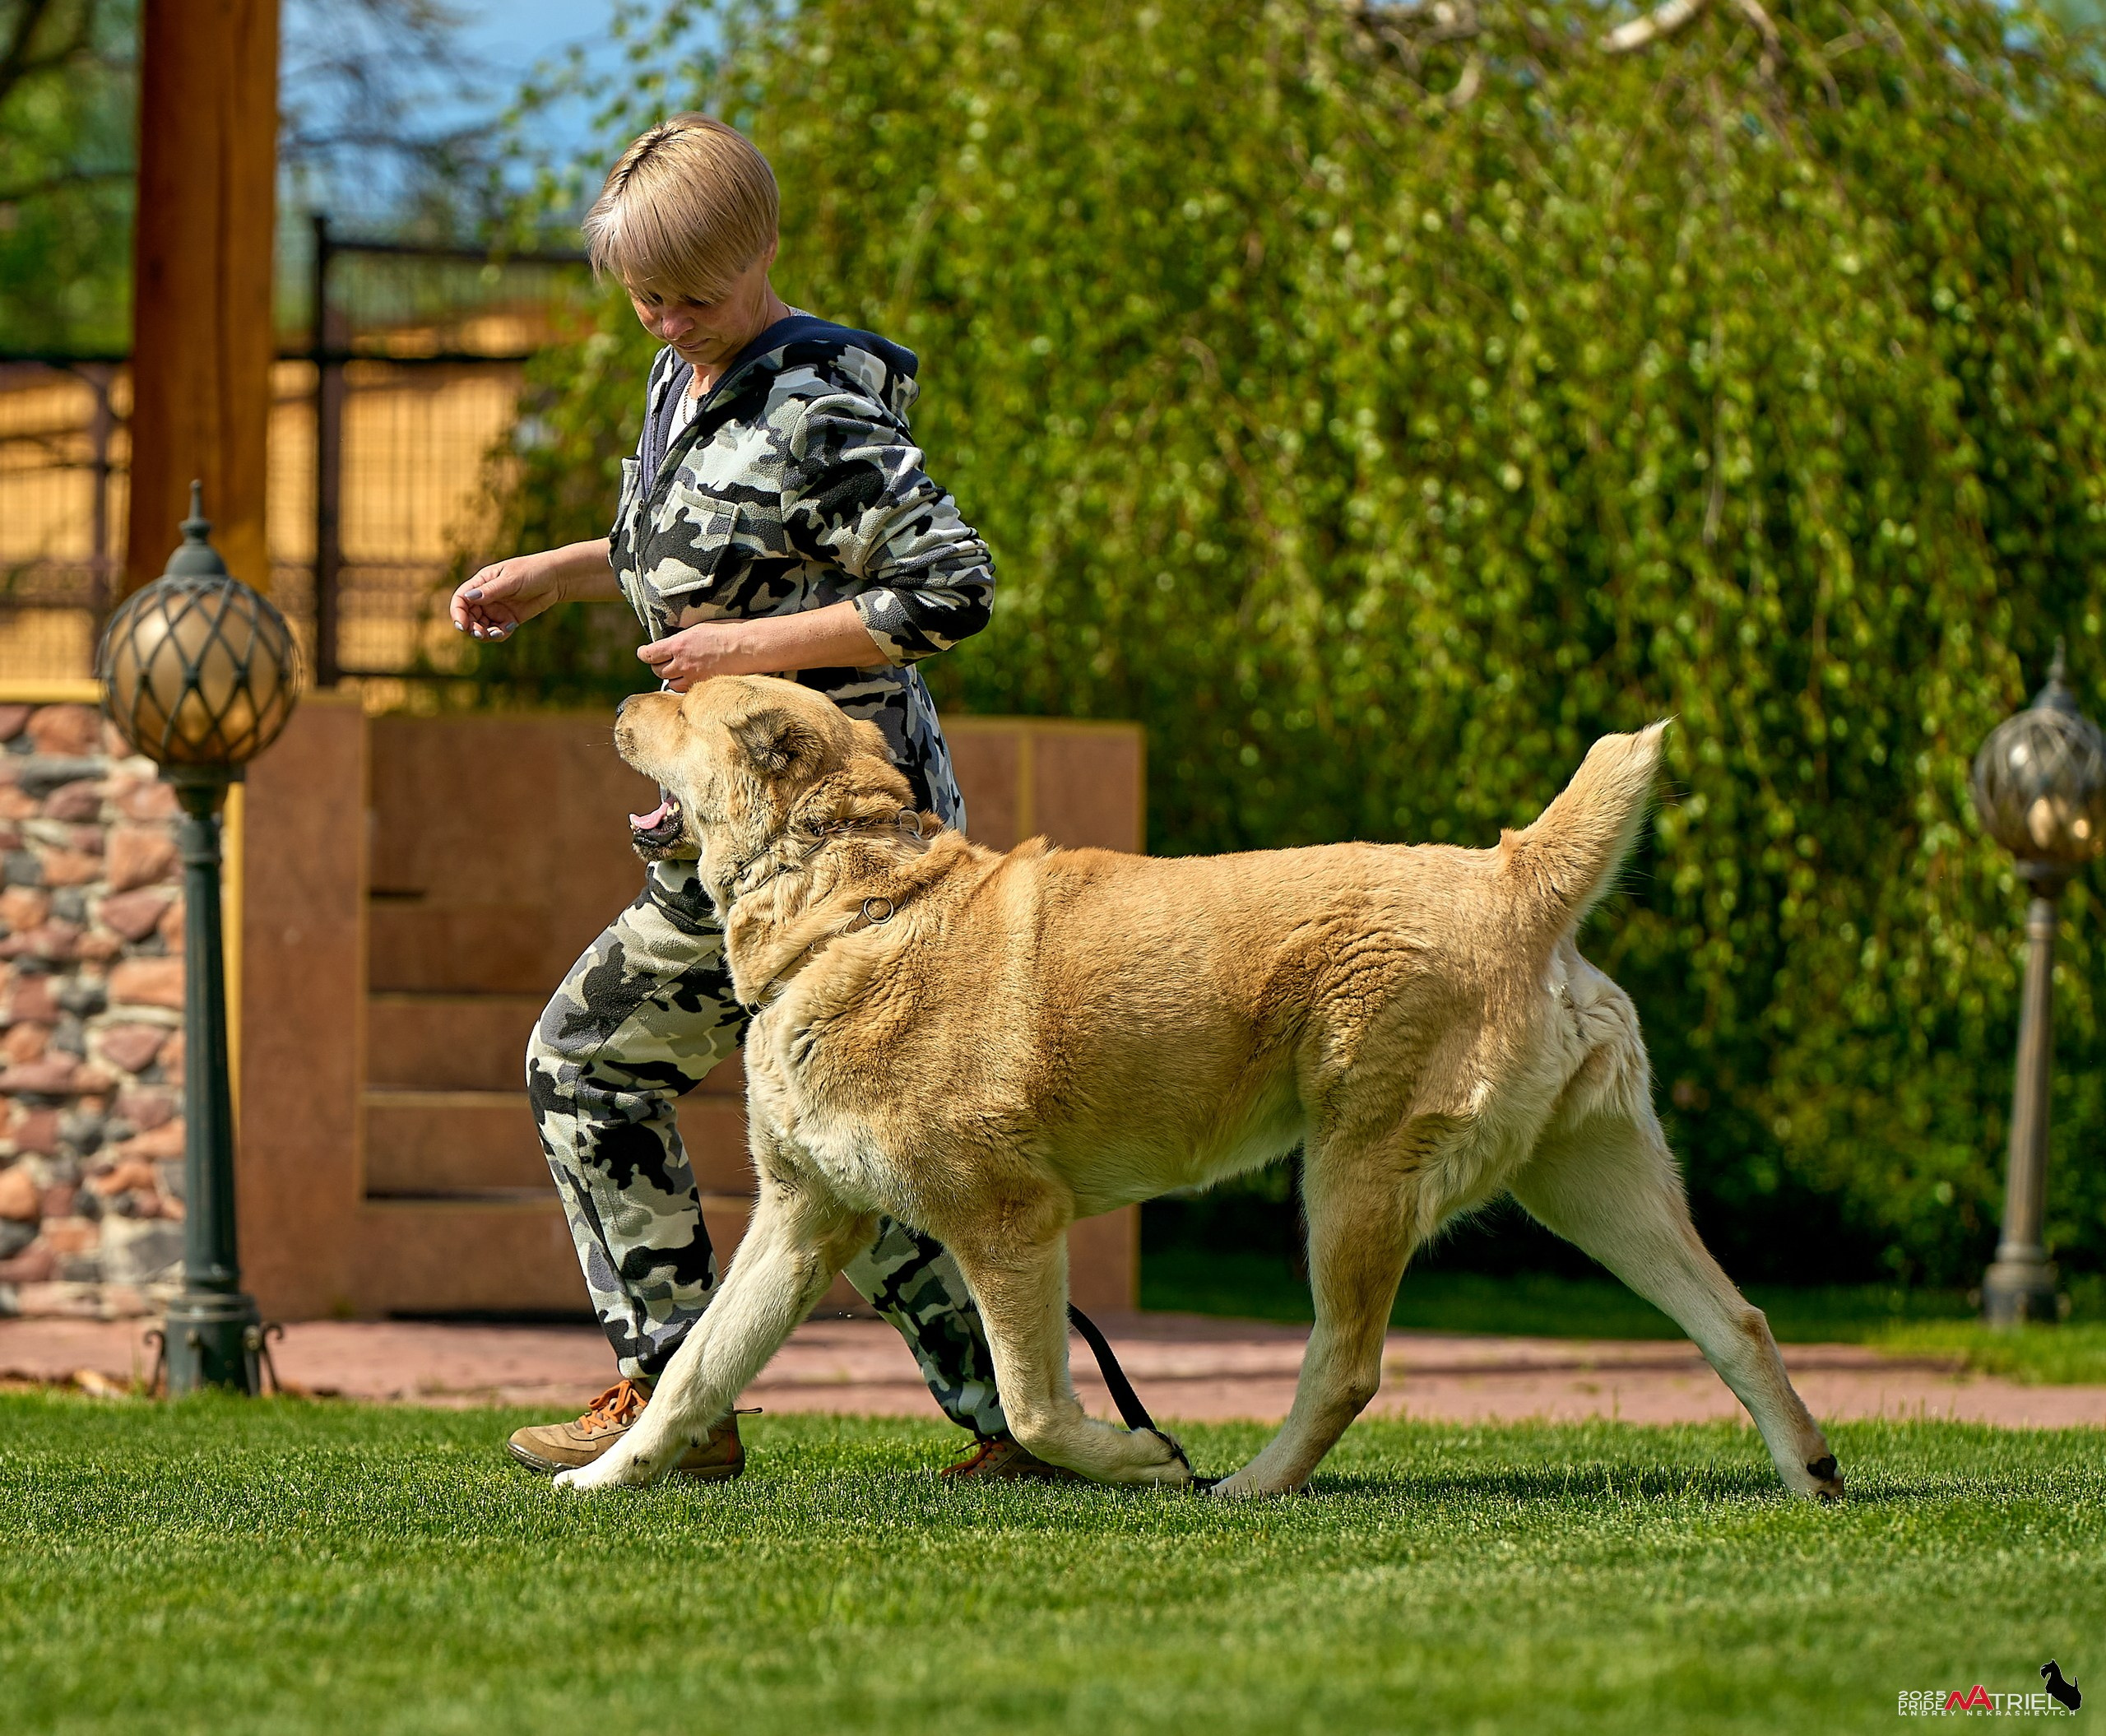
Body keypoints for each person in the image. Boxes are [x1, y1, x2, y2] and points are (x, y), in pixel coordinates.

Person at [452, 114, 1057, 1483]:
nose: (665, 320)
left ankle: (988, 1425)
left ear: (762, 253)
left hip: (842, 861)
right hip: (721, 854)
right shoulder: (687, 379)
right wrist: (545, 579)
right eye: (644, 297)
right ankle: (693, 1395)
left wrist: (744, 649)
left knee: (793, 1120)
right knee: (759, 1114)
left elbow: (955, 588)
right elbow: (676, 542)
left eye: (692, 295)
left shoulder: (817, 406)